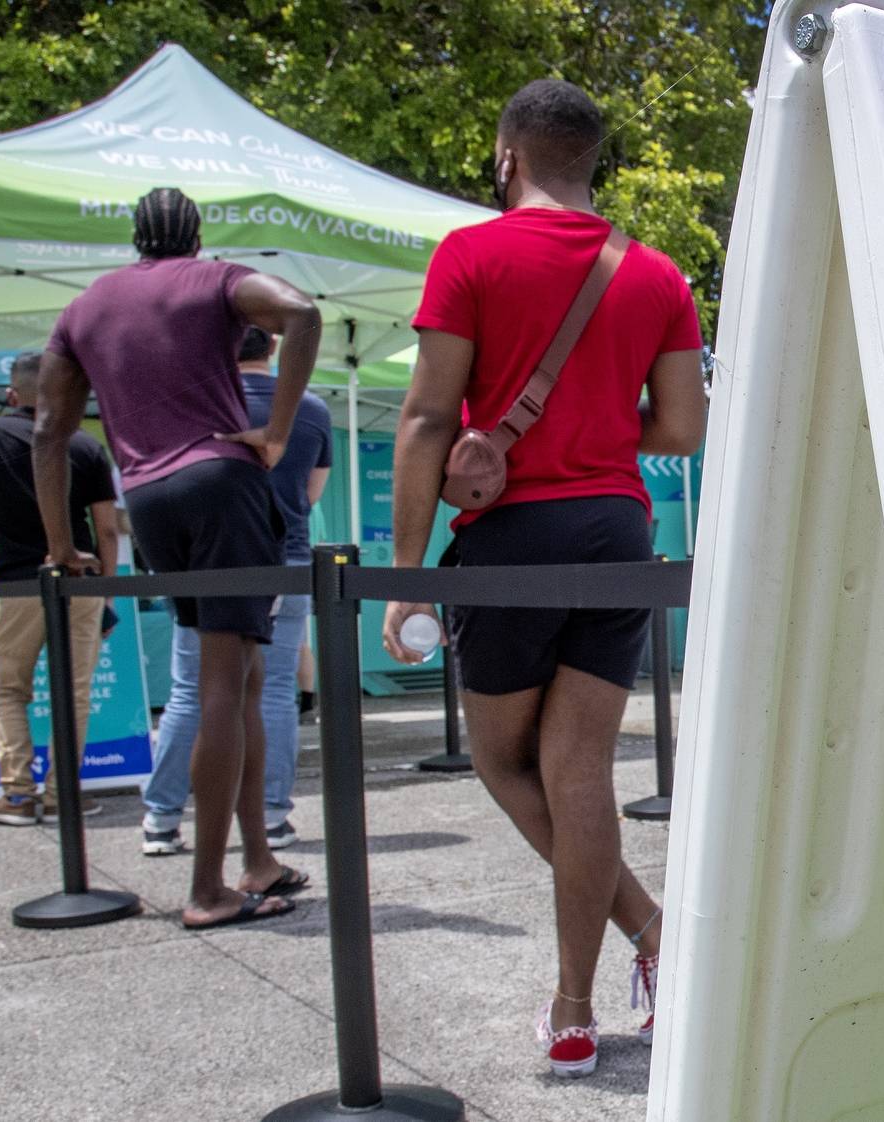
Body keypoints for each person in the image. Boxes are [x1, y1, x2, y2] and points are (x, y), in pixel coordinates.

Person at [383, 79, 707, 1077]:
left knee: (502, 764)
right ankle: (598, 989)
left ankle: (630, 953)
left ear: (506, 156)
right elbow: (683, 430)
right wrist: (600, 434)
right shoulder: (656, 275)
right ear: (590, 160)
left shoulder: (470, 254)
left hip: (511, 539)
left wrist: (404, 578)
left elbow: (431, 419)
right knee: (579, 774)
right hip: (617, 533)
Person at [34, 186, 323, 930]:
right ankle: (208, 887)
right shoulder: (216, 279)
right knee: (227, 683)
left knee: (246, 676)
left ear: (137, 236)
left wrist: (61, 544)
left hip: (150, 498)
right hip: (222, 485)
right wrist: (277, 432)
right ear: (194, 235)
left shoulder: (86, 307)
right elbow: (302, 311)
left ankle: (256, 859)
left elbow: (48, 433)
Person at [141, 327, 333, 856]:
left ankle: (161, 817)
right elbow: (310, 493)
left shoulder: (197, 403)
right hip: (286, 555)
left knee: (191, 689)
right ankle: (271, 816)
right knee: (272, 689)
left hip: (205, 561)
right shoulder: (311, 408)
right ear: (272, 349)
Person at [0, 352, 117, 825]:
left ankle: (16, 794)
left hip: (16, 583)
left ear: (12, 394)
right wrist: (109, 590)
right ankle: (62, 797)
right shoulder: (86, 444)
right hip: (81, 582)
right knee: (73, 691)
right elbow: (108, 529)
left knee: (10, 691)